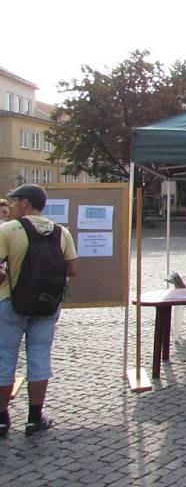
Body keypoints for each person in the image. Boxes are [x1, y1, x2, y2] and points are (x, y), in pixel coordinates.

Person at [0, 184, 78, 437]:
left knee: (4, 358)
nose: (10, 207)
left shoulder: (9, 230)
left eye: (13, 202)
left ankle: (2, 419)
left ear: (25, 203)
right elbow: (72, 269)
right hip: (46, 304)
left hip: (10, 302)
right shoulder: (61, 232)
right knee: (39, 358)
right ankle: (35, 417)